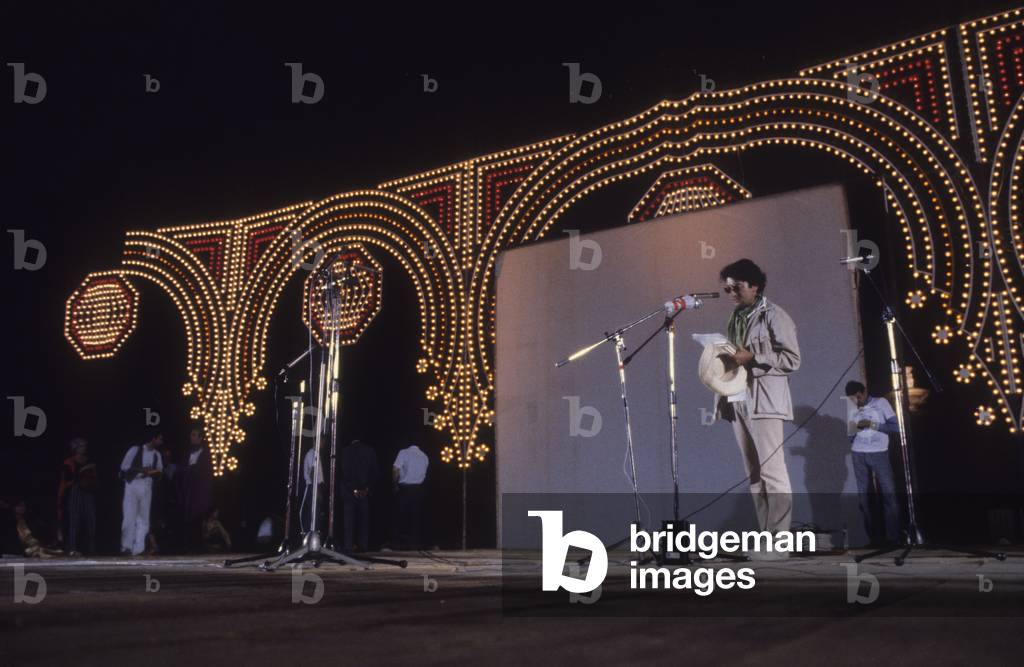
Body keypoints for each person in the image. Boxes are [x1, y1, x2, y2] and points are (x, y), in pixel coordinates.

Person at [717, 259, 800, 537]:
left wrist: (754, 357)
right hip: (737, 398)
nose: (732, 295)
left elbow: (791, 359)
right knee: (754, 475)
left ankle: (780, 539)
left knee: (772, 472)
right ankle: (766, 536)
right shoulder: (735, 318)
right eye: (728, 290)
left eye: (737, 288)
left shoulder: (775, 315)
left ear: (754, 285)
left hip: (764, 399)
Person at [844, 380, 901, 546]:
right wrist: (855, 430)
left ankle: (893, 538)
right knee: (865, 498)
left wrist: (872, 424)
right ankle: (874, 539)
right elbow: (850, 436)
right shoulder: (852, 408)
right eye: (854, 399)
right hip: (858, 453)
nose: (858, 401)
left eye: (859, 397)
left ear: (865, 391)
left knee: (888, 494)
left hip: (879, 453)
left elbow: (896, 427)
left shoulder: (881, 402)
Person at [120, 430, 164, 556]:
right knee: (129, 517)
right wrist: (141, 470)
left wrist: (154, 473)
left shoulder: (157, 454)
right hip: (133, 483)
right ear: (153, 438)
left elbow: (160, 470)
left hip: (147, 485)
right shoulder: (135, 450)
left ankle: (138, 548)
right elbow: (124, 466)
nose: (161, 442)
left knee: (144, 518)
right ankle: (126, 547)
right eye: (159, 439)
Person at [58, 437, 98, 556]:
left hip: (88, 492)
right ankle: (72, 548)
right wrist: (80, 474)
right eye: (81, 446)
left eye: (84, 446)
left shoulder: (89, 460)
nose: (83, 448)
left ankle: (91, 548)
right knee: (74, 521)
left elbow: (94, 477)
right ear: (75, 448)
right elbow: (67, 479)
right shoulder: (69, 462)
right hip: (75, 492)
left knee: (91, 520)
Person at [178, 427, 214, 551]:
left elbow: (204, 472)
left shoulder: (206, 454)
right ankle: (187, 545)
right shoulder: (187, 453)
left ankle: (198, 545)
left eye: (194, 435)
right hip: (188, 490)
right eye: (191, 435)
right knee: (187, 518)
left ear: (200, 438)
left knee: (198, 518)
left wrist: (192, 469)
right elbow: (182, 469)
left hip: (200, 492)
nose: (191, 437)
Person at [341, 439, 378, 551]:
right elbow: (374, 471)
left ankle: (348, 545)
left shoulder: (345, 451)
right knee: (364, 521)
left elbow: (343, 472)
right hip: (364, 491)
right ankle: (363, 545)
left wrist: (353, 489)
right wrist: (367, 488)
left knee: (349, 521)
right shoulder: (369, 451)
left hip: (349, 491)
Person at [392, 442, 429, 550]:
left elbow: (395, 470)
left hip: (405, 488)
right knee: (415, 518)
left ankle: (397, 543)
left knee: (399, 517)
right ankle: (414, 544)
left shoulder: (403, 452)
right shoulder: (424, 456)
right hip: (418, 489)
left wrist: (395, 484)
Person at [301, 446, 325, 532]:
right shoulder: (312, 454)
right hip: (312, 486)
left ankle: (312, 534)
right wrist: (317, 489)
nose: (323, 443)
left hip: (315, 486)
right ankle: (309, 534)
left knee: (315, 512)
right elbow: (312, 472)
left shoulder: (316, 454)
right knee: (313, 512)